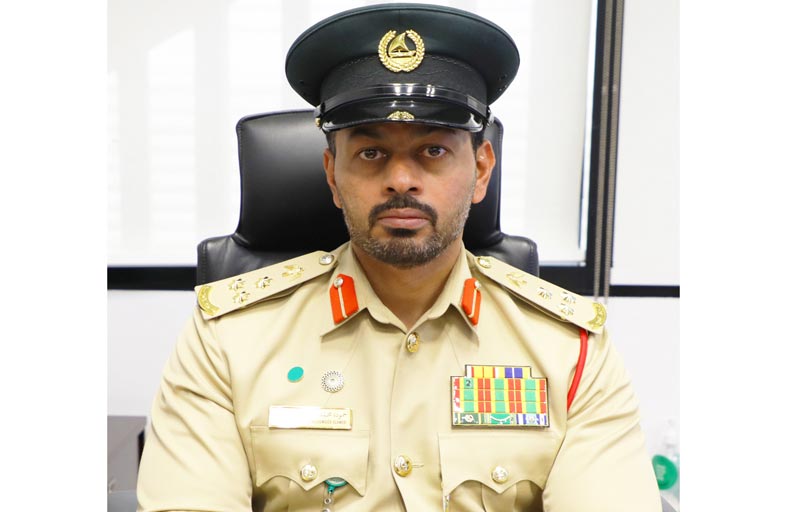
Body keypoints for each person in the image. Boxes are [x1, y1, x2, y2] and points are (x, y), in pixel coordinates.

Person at [136, 4, 661, 511]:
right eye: (372, 153)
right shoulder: (228, 339)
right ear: (332, 175)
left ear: (481, 170)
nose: (402, 180)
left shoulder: (569, 351)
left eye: (433, 150)